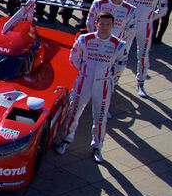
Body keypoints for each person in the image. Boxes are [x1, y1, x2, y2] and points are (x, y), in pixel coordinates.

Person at [55, 12, 129, 164]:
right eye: (101, 24)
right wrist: (84, 72)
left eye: (108, 24)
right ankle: (66, 140)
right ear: (96, 23)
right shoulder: (84, 39)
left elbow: (121, 64)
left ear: (113, 25)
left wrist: (110, 77)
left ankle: (97, 146)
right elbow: (73, 58)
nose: (104, 27)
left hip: (103, 84)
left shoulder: (119, 44)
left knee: (100, 116)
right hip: (84, 81)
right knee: (74, 111)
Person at [126, 0, 167, 99]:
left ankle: (141, 83)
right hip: (130, 24)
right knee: (122, 52)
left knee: (143, 55)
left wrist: (150, 17)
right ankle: (114, 79)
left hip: (146, 26)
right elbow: (124, 4)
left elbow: (163, 10)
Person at [86, 0, 137, 86]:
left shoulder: (131, 10)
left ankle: (111, 84)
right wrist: (95, 39)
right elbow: (90, 23)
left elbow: (130, 31)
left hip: (114, 46)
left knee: (111, 75)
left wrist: (119, 45)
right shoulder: (98, 3)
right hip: (97, 43)